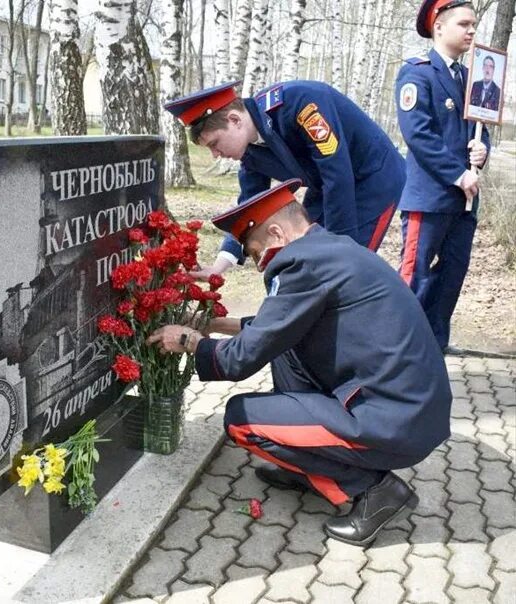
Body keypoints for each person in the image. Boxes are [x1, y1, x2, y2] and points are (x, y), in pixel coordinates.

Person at [148, 179, 452, 546]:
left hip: (393, 421)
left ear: (276, 232)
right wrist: (210, 323)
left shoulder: (301, 263)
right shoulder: (327, 249)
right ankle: (307, 464)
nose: (263, 267)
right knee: (286, 348)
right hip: (407, 407)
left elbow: (237, 362)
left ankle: (376, 491)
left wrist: (187, 340)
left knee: (242, 420)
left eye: (260, 254)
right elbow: (278, 328)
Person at [163, 79, 406, 278]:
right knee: (301, 256)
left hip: (372, 178)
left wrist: (339, 250)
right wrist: (219, 266)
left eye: (215, 144)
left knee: (346, 269)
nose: (216, 154)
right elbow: (249, 208)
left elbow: (337, 174)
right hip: (327, 187)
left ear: (235, 120)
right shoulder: (249, 150)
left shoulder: (298, 104)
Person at [395, 0, 490, 352]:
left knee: (451, 275)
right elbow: (419, 134)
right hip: (431, 196)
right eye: (464, 24)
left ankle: (433, 346)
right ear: (439, 27)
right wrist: (457, 174)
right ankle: (398, 347)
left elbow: (480, 128)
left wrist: (483, 152)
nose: (471, 31)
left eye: (474, 25)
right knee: (414, 274)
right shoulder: (417, 73)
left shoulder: (470, 78)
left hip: (463, 200)